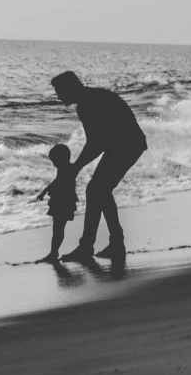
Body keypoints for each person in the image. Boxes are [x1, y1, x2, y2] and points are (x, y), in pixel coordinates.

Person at [50, 71, 147, 262]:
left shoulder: (87, 104)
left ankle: (92, 246)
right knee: (98, 190)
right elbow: (98, 142)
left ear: (71, 88)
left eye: (60, 91)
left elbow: (97, 142)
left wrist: (75, 167)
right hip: (122, 145)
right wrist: (76, 167)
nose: (58, 96)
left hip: (128, 145)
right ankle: (112, 243)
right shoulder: (88, 100)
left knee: (96, 190)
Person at [35, 144, 78, 263]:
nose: (53, 164)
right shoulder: (68, 168)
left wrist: (44, 191)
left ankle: (53, 252)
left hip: (62, 201)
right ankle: (54, 251)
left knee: (58, 228)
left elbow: (57, 181)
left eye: (55, 161)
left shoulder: (67, 169)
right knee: (58, 228)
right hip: (62, 200)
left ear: (62, 159)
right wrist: (44, 191)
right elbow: (56, 181)